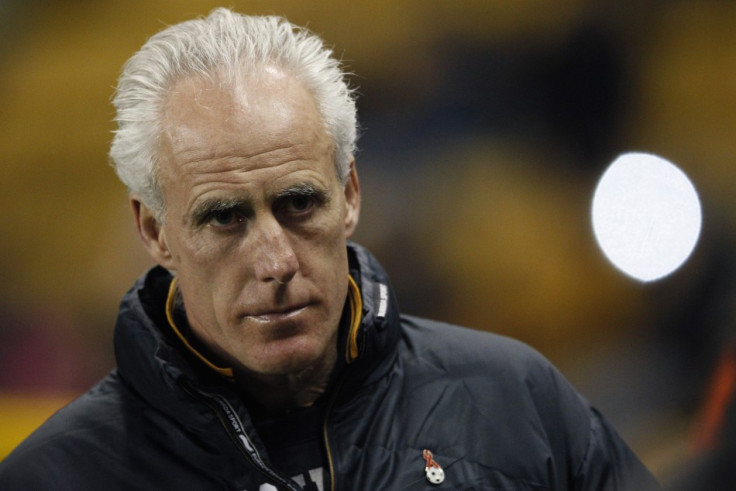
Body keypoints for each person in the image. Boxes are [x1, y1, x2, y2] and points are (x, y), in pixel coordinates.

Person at [0, 8, 660, 490]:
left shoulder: (519, 403)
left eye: (299, 204)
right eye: (224, 218)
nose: (276, 261)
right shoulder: (55, 476)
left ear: (349, 194)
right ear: (154, 231)